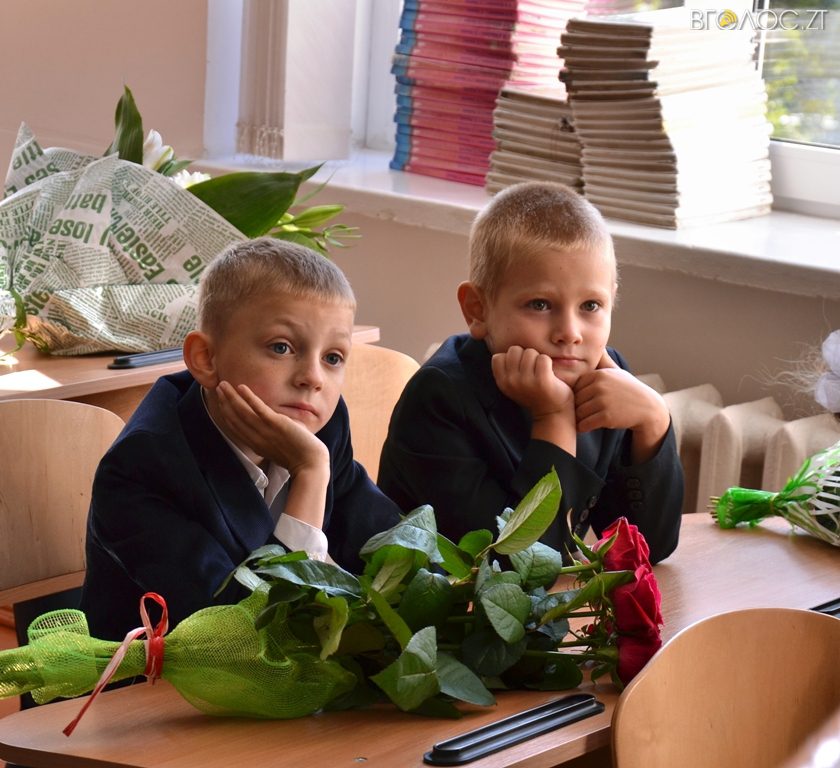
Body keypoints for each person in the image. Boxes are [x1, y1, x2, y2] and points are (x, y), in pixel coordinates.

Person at [80, 238, 401, 640]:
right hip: (157, 674)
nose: (313, 378)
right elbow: (246, 630)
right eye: (281, 347)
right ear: (206, 359)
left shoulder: (322, 426)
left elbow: (394, 552)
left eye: (332, 358)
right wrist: (310, 474)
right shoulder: (143, 466)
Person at [378, 181, 682, 563]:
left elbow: (649, 547)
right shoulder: (439, 399)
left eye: (590, 306)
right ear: (477, 309)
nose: (569, 333)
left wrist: (653, 421)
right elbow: (514, 567)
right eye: (540, 304)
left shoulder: (607, 380)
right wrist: (553, 417)